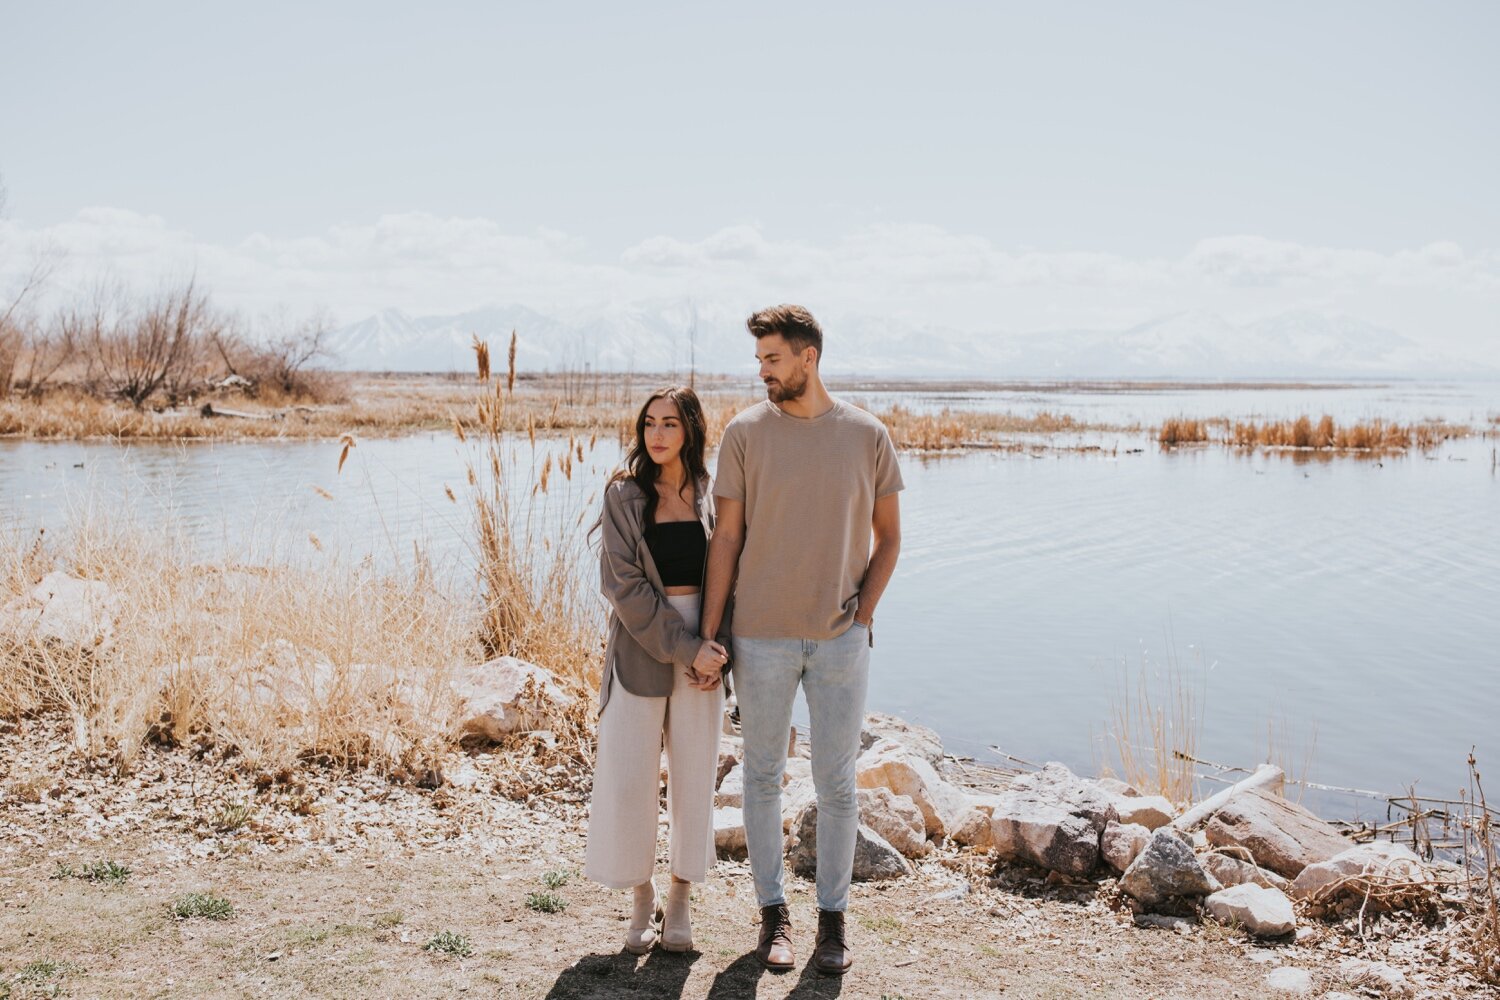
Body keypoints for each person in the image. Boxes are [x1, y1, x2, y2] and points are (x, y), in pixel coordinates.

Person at [698, 305, 903, 976]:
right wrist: (711, 634)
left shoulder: (867, 435)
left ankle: (834, 924)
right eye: (760, 360)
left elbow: (890, 537)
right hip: (759, 638)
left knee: (838, 784)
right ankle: (772, 917)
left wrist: (863, 616)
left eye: (772, 359)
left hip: (841, 643)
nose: (762, 371)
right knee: (761, 779)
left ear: (807, 358)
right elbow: (726, 537)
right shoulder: (744, 434)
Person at [584, 386, 732, 954]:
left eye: (670, 423)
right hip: (642, 645)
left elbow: (731, 572)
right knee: (630, 778)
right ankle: (642, 898)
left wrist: (716, 650)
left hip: (705, 647)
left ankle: (679, 901)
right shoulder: (622, 495)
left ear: (691, 429)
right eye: (650, 423)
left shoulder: (715, 494)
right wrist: (684, 646)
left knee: (694, 778)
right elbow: (624, 586)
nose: (658, 434)